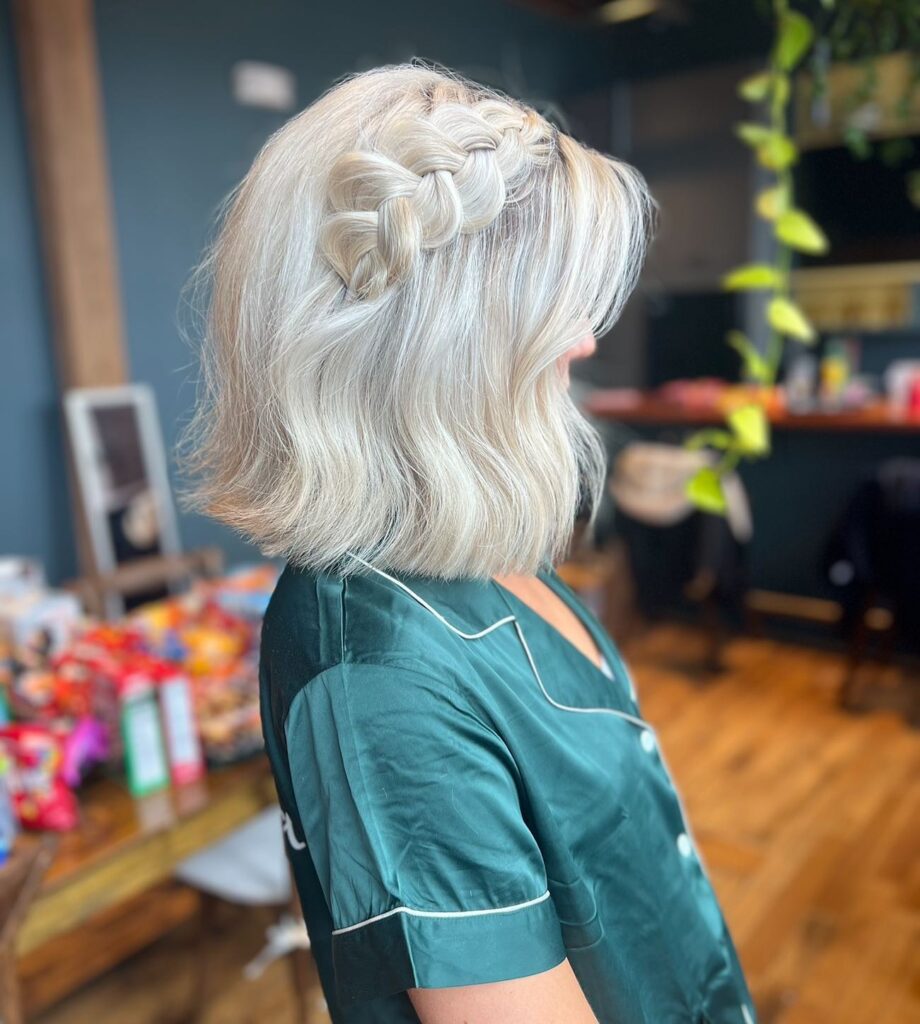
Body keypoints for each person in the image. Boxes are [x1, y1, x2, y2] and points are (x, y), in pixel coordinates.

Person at [181, 61, 757, 1024]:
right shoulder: (379, 679)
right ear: (436, 347)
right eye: (553, 304)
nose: (583, 340)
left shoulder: (464, 547)